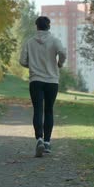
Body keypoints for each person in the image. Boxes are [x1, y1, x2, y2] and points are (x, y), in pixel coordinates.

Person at [19, 16, 66, 157]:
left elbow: (22, 61)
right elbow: (63, 53)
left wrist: (32, 66)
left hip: (36, 80)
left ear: (36, 27)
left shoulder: (29, 42)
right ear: (49, 26)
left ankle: (39, 138)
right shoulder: (55, 41)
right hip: (52, 81)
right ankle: (47, 142)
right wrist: (60, 64)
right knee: (49, 110)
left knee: (38, 110)